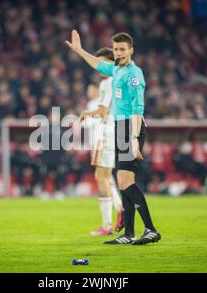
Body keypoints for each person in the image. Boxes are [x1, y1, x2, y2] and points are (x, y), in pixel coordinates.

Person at [66, 30, 160, 245]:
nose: (118, 53)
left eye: (122, 49)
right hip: (120, 128)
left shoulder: (134, 75)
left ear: (131, 50)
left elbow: (138, 108)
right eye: (116, 49)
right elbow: (98, 64)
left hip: (130, 128)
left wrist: (135, 139)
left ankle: (151, 230)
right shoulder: (117, 69)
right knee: (121, 181)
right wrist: (79, 51)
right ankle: (128, 234)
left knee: (126, 182)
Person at [79, 47, 124, 236]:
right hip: (113, 132)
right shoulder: (118, 80)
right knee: (105, 177)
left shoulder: (107, 83)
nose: (98, 67)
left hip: (105, 135)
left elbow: (102, 111)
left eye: (101, 63)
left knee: (102, 178)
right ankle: (119, 208)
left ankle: (107, 224)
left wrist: (86, 114)